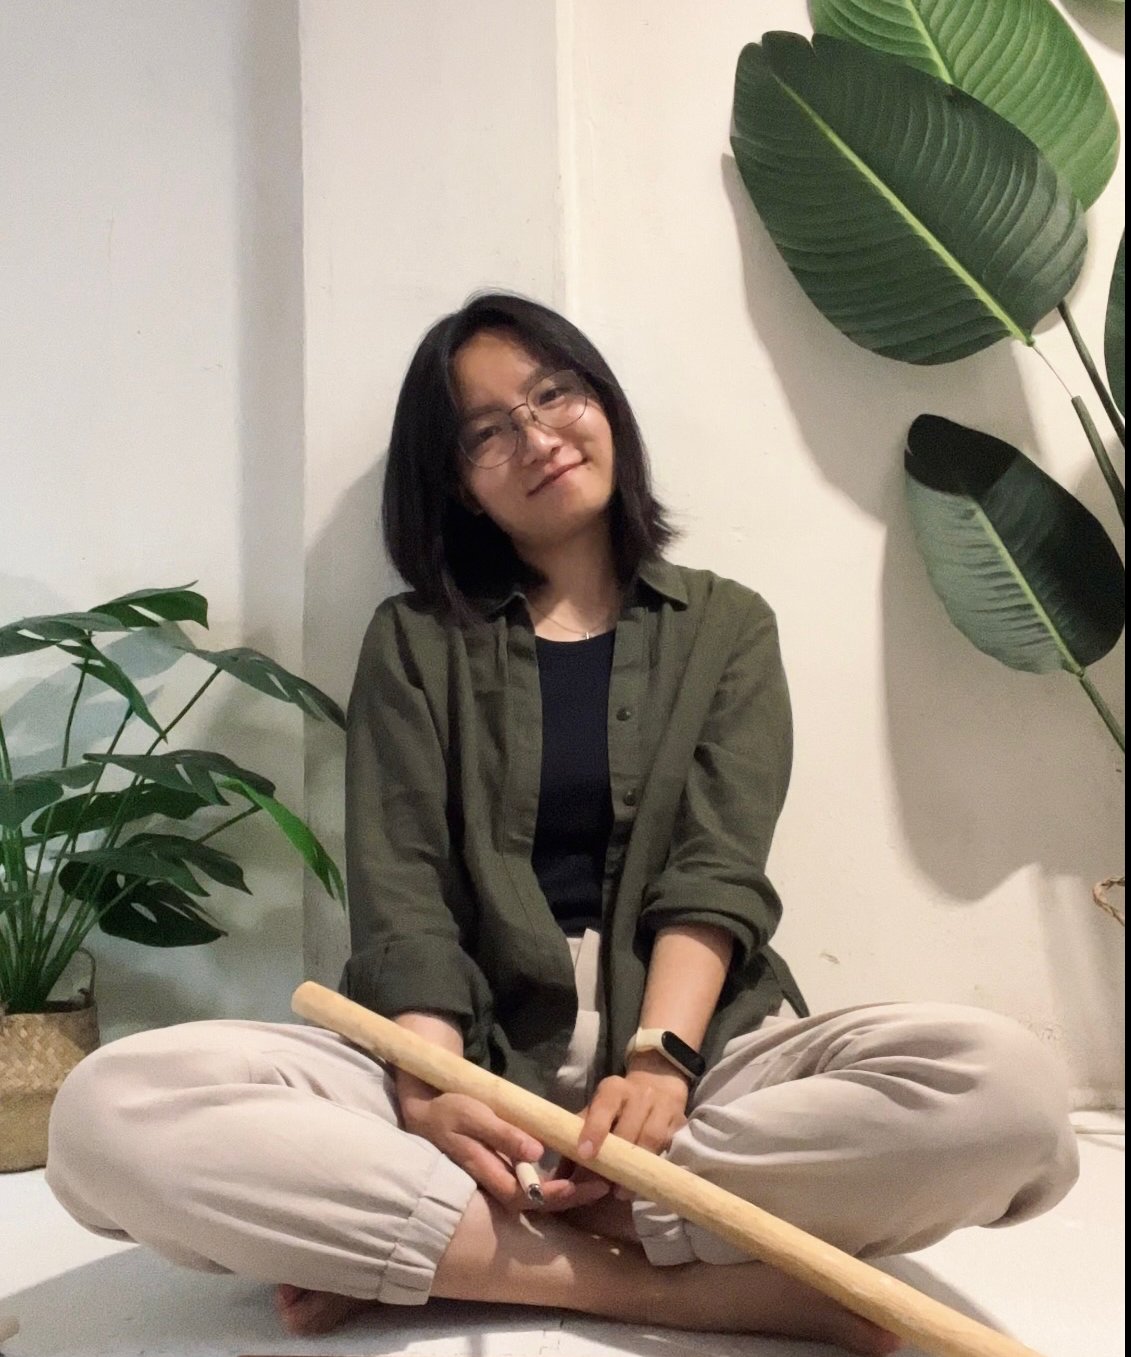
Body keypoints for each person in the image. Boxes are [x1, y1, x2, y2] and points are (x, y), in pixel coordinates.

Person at [47, 294, 1079, 1355]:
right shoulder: (414, 640)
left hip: (702, 1061)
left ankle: (441, 1248)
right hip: (460, 1052)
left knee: (1005, 1095)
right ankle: (664, 1284)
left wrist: (661, 1061)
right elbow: (403, 894)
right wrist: (433, 1093)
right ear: (459, 482)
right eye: (486, 432)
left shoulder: (725, 626)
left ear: (604, 404)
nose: (536, 436)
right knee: (107, 1114)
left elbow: (715, 872)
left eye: (553, 394)